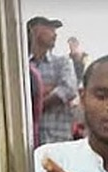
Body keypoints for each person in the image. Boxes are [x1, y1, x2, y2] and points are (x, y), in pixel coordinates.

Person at [28, 16, 79, 146]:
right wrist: (48, 90)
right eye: (50, 28)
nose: (55, 34)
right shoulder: (21, 66)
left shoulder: (62, 62)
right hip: (30, 142)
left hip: (57, 140)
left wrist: (36, 104)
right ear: (35, 30)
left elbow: (68, 89)